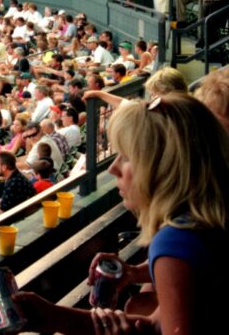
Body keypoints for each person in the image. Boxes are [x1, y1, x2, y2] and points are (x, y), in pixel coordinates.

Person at [13, 94, 229, 333]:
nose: (114, 168)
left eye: (126, 157)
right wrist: (55, 316)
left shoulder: (175, 242)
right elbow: (161, 320)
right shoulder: (204, 222)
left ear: (162, 169)